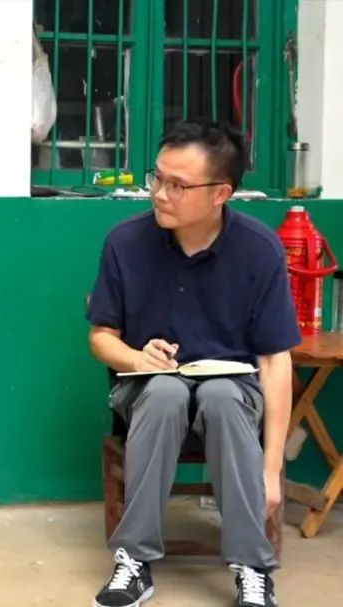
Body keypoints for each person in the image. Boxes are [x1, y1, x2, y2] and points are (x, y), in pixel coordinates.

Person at [86, 119, 299, 607]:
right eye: (157, 178)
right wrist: (137, 357)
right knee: (165, 392)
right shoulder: (125, 242)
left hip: (234, 395)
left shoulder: (259, 250)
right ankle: (134, 562)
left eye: (178, 185)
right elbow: (100, 339)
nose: (160, 194)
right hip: (148, 390)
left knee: (222, 395)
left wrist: (271, 471)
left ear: (221, 192)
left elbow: (275, 360)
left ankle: (252, 567)